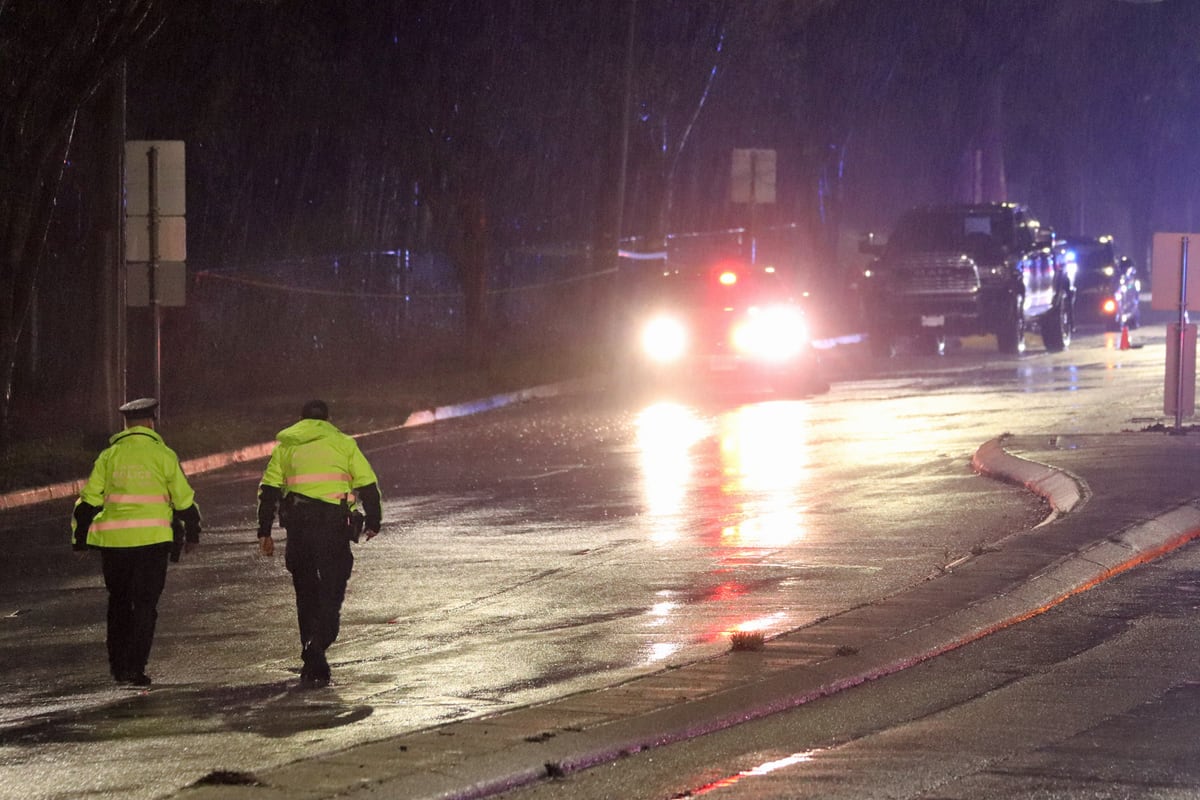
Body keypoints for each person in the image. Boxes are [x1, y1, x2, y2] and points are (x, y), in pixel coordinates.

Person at [71, 397, 202, 687]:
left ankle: (118, 666)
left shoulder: (109, 456)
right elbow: (183, 500)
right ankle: (136, 666)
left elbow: (88, 500)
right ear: (151, 422)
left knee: (118, 603)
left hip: (115, 544)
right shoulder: (163, 455)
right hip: (153, 543)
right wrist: (192, 532)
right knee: (145, 605)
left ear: (126, 424)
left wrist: (79, 539)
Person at [256, 399, 382, 689]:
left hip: (299, 529)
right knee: (332, 590)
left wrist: (264, 531)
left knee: (305, 592)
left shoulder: (287, 446)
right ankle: (319, 642)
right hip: (333, 529)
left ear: (301, 420)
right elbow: (367, 485)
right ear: (327, 419)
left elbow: (269, 490)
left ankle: (312, 656)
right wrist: (374, 521)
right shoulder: (343, 444)